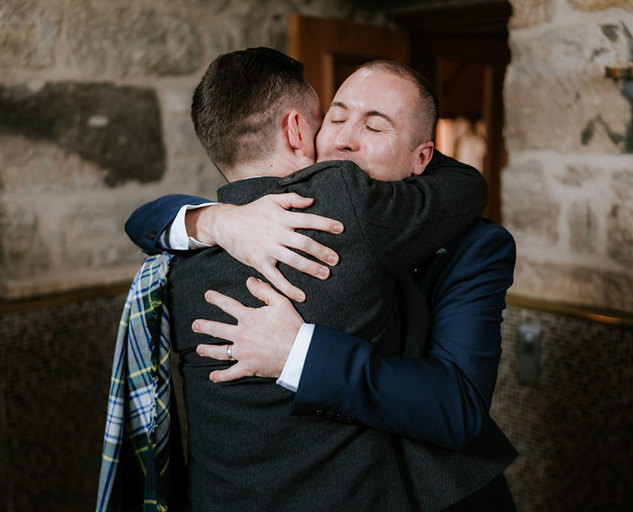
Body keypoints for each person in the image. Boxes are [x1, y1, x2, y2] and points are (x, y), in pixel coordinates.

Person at [123, 48, 512, 511]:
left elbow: (457, 407)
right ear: (302, 130)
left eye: (375, 125)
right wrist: (213, 221)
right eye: (335, 118)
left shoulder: (477, 245)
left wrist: (298, 354)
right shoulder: (241, 225)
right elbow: (148, 218)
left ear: (422, 156)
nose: (345, 140)